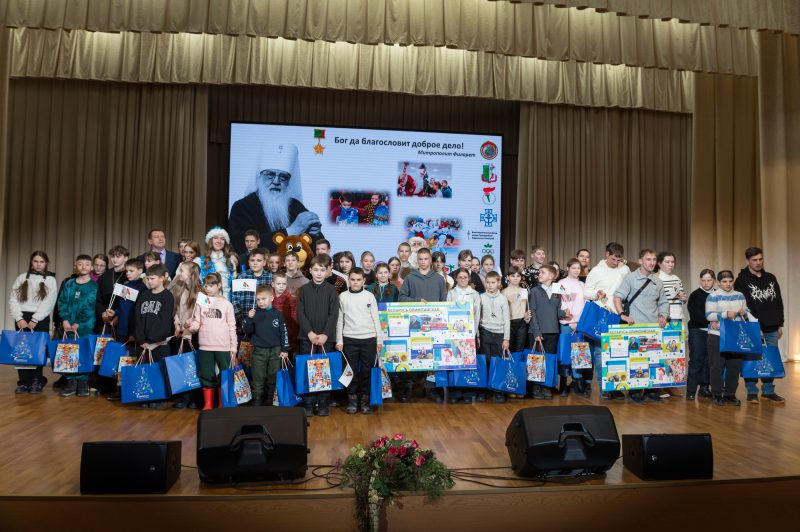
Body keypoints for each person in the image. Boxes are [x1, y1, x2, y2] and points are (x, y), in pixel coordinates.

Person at [229, 143, 324, 253]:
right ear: (260, 177)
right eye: (270, 175)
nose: (276, 181)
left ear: (289, 182)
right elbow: (241, 246)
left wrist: (315, 234)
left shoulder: (296, 206)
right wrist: (291, 231)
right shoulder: (242, 207)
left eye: (283, 177)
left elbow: (321, 248)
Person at [614, 249, 669, 405]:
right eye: (648, 259)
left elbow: (663, 302)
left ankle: (651, 391)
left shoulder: (658, 281)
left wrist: (663, 315)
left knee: (654, 361)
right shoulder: (630, 278)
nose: (651, 262)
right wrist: (622, 314)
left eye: (654, 259)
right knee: (637, 362)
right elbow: (618, 296)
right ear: (640, 261)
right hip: (636, 327)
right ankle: (635, 392)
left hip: (653, 328)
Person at [734, 247, 786, 404]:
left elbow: (778, 301)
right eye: (754, 260)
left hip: (772, 326)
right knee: (751, 359)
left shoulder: (771, 277)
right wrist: (755, 327)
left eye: (760, 259)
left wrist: (780, 323)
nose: (758, 262)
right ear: (747, 261)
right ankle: (751, 392)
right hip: (753, 327)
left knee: (769, 358)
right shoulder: (741, 281)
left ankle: (768, 392)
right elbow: (745, 305)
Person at [398, 248, 446, 402]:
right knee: (412, 356)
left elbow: (444, 303)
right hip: (414, 328)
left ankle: (431, 390)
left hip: (434, 327)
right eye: (421, 259)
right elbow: (401, 299)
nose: (423, 262)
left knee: (433, 359)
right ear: (417, 260)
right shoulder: (410, 278)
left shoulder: (439, 279)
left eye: (426, 259)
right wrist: (417, 301)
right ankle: (408, 389)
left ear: (430, 260)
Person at [583, 242, 631, 399]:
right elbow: (586, 292)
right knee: (600, 353)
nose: (615, 262)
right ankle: (604, 387)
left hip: (619, 315)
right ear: (606, 254)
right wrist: (597, 294)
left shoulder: (625, 269)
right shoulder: (597, 271)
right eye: (613, 259)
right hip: (602, 314)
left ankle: (615, 386)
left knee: (618, 352)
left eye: (619, 260)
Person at [296, 254, 340, 416]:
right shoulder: (304, 290)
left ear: (327, 271)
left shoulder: (331, 291)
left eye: (322, 270)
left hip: (325, 339)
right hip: (306, 338)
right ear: (310, 271)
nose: (319, 273)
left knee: (324, 371)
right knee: (307, 370)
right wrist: (309, 332)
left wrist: (325, 334)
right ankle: (308, 404)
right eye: (316, 270)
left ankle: (322, 404)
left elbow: (333, 315)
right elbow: (300, 314)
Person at [8, 251, 57, 394]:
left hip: (40, 318)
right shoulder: (22, 277)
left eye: (41, 262)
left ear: (46, 263)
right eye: (36, 261)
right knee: (22, 351)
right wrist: (19, 318)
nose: (38, 264)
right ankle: (23, 381)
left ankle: (37, 379)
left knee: (37, 350)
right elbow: (13, 299)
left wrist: (35, 319)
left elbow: (49, 302)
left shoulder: (50, 280)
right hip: (22, 317)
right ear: (31, 262)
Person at [336, 268, 382, 415]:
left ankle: (365, 402)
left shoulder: (369, 296)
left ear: (364, 281)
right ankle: (352, 401)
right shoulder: (342, 297)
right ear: (348, 280)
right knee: (352, 372)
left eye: (358, 280)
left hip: (369, 339)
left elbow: (376, 319)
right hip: (349, 339)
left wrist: (379, 340)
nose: (355, 282)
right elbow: (339, 320)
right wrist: (339, 340)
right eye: (353, 280)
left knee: (367, 372)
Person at [188, 273, 237, 410]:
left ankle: (223, 403)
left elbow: (232, 326)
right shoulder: (201, 302)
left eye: (211, 285)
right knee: (206, 374)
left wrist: (233, 347)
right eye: (206, 285)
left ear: (219, 285)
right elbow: (197, 322)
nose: (208, 288)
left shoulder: (227, 304)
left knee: (225, 374)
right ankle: (208, 403)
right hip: (205, 345)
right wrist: (190, 326)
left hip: (223, 346)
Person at [706, 270, 753, 406]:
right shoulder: (713, 296)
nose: (728, 284)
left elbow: (746, 312)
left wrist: (744, 312)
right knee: (717, 366)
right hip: (717, 336)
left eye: (730, 281)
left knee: (734, 367)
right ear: (719, 283)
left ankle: (729, 395)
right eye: (724, 281)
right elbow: (709, 315)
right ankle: (716, 394)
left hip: (735, 335)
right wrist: (725, 314)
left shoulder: (739, 295)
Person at [133, 264, 175, 408]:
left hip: (159, 343)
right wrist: (141, 339)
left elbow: (164, 321)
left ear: (162, 278)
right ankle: (145, 397)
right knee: (145, 371)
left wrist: (153, 339)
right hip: (143, 343)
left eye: (152, 278)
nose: (149, 281)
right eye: (148, 278)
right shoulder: (144, 295)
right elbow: (137, 318)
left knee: (159, 371)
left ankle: (158, 397)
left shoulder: (167, 296)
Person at [57, 255, 98, 398]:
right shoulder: (69, 284)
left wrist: (78, 322)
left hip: (84, 326)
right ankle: (71, 382)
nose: (83, 267)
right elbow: (62, 302)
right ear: (75, 266)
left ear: (91, 267)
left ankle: (83, 383)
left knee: (83, 353)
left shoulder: (93, 286)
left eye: (87, 264)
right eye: (80, 264)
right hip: (68, 326)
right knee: (69, 353)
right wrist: (65, 319)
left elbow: (90, 306)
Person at [241, 285, 289, 407]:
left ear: (271, 298)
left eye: (263, 299)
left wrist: (285, 349)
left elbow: (284, 332)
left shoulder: (278, 314)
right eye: (258, 299)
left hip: (276, 351)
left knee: (273, 377)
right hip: (258, 351)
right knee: (258, 378)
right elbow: (247, 330)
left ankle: (270, 400)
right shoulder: (254, 314)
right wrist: (249, 318)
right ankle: (257, 401)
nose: (261, 302)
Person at [528, 265, 568, 400]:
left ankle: (546, 386)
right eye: (539, 272)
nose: (539, 274)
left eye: (543, 272)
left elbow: (556, 311)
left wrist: (564, 313)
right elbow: (532, 312)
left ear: (552, 276)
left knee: (549, 361)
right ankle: (535, 387)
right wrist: (536, 332)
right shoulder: (534, 291)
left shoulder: (557, 291)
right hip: (537, 332)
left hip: (553, 331)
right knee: (536, 360)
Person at [168, 261, 204, 409]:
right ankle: (185, 397)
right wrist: (177, 324)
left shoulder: (201, 292)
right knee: (182, 366)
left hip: (193, 336)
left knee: (194, 367)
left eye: (182, 270)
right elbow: (176, 310)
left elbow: (200, 316)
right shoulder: (181, 288)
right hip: (181, 334)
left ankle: (196, 398)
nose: (179, 273)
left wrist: (189, 330)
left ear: (191, 274)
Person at [480, 271, 510, 403]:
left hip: (499, 334)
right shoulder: (481, 297)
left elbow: (507, 319)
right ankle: (485, 389)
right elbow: (477, 316)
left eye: (493, 282)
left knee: (497, 361)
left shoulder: (503, 298)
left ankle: (498, 390)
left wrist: (506, 338)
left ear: (498, 283)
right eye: (488, 282)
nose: (490, 285)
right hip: (485, 332)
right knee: (485, 361)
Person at [559, 259, 588, 396]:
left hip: (580, 325)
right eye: (574, 268)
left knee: (579, 354)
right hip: (566, 324)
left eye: (578, 268)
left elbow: (585, 305)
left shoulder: (583, 285)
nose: (576, 270)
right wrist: (571, 322)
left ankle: (578, 382)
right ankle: (563, 383)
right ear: (567, 268)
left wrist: (579, 323)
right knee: (565, 355)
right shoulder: (561, 283)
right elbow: (562, 304)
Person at [686, 269, 715, 401]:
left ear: (714, 280)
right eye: (703, 280)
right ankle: (691, 391)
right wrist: (712, 322)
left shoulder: (717, 294)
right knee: (696, 360)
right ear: (700, 280)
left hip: (714, 332)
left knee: (709, 361)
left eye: (709, 280)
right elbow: (695, 315)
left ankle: (704, 388)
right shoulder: (695, 295)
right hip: (697, 331)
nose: (706, 283)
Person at [231, 248, 272, 331]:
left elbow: (272, 299)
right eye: (252, 260)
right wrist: (242, 319)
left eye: (259, 260)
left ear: (264, 262)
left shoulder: (270, 277)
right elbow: (235, 299)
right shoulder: (241, 277)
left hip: (265, 320)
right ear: (248, 262)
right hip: (244, 320)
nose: (255, 263)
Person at [95, 245, 130, 335]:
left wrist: (118, 315)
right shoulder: (105, 276)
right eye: (113, 256)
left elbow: (129, 302)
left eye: (118, 256)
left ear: (125, 258)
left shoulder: (129, 276)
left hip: (122, 319)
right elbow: (98, 298)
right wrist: (102, 313)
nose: (115, 259)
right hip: (105, 318)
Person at [199, 227, 239, 298]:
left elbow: (234, 285)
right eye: (215, 238)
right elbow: (197, 284)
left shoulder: (230, 261)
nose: (219, 241)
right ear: (210, 241)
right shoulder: (200, 261)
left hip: (227, 299)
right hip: (207, 299)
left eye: (222, 239)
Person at [502, 266, 530, 353]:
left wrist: (527, 317)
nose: (515, 278)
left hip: (522, 323)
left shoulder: (524, 291)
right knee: (509, 350)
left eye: (518, 276)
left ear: (521, 277)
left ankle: (518, 362)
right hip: (509, 323)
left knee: (520, 350)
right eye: (513, 276)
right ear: (507, 277)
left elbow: (527, 307)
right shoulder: (503, 292)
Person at [272, 272, 298, 354]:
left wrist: (293, 340)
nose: (281, 286)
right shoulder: (268, 297)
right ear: (273, 284)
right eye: (278, 284)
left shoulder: (291, 299)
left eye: (284, 284)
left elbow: (294, 319)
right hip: (270, 335)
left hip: (286, 335)